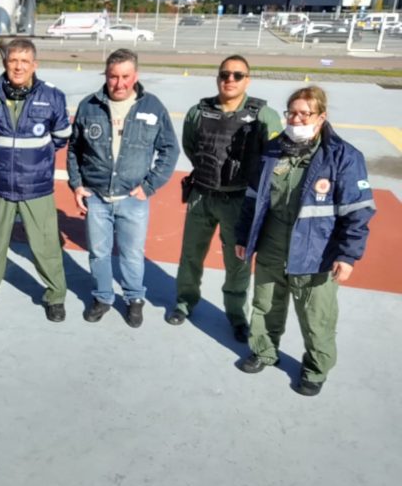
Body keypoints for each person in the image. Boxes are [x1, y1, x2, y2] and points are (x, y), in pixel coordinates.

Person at [235, 86, 375, 396]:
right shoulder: (273, 151)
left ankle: (315, 369)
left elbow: (358, 211)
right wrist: (244, 236)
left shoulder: (343, 156)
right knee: (265, 304)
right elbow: (253, 198)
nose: (296, 119)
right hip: (272, 245)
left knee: (316, 316)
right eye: (291, 113)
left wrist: (348, 255)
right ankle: (263, 351)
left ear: (321, 117)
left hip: (316, 252)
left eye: (304, 114)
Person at [167, 55, 282, 342]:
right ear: (218, 77)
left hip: (239, 202)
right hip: (201, 196)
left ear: (248, 80)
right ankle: (184, 302)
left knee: (237, 263)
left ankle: (236, 316)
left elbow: (273, 158)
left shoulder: (264, 115)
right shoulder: (198, 112)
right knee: (191, 255)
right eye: (225, 74)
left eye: (237, 75)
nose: (230, 79)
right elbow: (191, 147)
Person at [67, 49, 179, 327]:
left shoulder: (152, 106)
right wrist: (77, 185)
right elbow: (74, 149)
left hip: (133, 198)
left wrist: (149, 186)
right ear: (106, 75)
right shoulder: (89, 106)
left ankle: (134, 299)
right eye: (113, 77)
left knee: (132, 254)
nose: (119, 83)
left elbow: (170, 149)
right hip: (97, 196)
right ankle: (103, 297)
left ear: (135, 76)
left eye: (125, 76)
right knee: (99, 253)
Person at [0, 39, 70, 321]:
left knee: (45, 245)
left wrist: (34, 162)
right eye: (13, 61)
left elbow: (61, 138)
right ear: (5, 63)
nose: (19, 67)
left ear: (34, 65)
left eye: (24, 61)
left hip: (36, 187)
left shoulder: (52, 97)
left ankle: (55, 296)